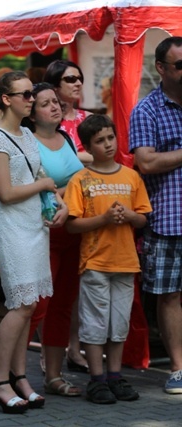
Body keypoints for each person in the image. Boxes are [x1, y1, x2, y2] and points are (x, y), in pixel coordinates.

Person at [0, 71, 68, 414]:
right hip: (12, 227)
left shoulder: (28, 136)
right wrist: (44, 186)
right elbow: (6, 192)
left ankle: (19, 377)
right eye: (26, 95)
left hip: (34, 226)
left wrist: (58, 201)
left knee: (29, 305)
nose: (31, 99)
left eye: (32, 94)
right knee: (21, 305)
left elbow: (39, 177)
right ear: (6, 99)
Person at [64, 114, 151, 403]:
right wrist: (102, 218)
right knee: (94, 324)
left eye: (111, 138)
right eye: (100, 141)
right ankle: (96, 379)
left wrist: (129, 216)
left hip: (126, 263)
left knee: (119, 324)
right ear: (88, 146)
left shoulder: (131, 176)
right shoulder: (81, 179)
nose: (108, 144)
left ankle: (115, 376)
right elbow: (72, 224)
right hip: (95, 263)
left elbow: (142, 219)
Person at [22, 82, 84, 397]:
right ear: (31, 113)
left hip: (72, 231)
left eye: (56, 101)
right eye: (46, 103)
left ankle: (54, 376)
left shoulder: (66, 138)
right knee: (37, 306)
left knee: (63, 304)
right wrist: (64, 197)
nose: (55, 107)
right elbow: (35, 187)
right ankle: (14, 373)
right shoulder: (28, 142)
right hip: (43, 231)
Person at [129, 36, 182, 394]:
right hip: (169, 219)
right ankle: (179, 368)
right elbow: (145, 161)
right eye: (180, 65)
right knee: (170, 295)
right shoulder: (147, 110)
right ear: (161, 68)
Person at [43, 59, 93, 371]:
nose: (76, 83)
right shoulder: (48, 129)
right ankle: (48, 353)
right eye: (69, 78)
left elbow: (105, 155)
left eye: (79, 77)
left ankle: (73, 349)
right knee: (47, 290)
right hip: (53, 215)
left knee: (73, 291)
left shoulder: (88, 119)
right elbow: (84, 159)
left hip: (83, 213)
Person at [43, 59, 93, 166]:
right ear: (54, 85)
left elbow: (101, 154)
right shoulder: (43, 120)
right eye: (71, 79)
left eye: (80, 79)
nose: (79, 84)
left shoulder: (89, 118)